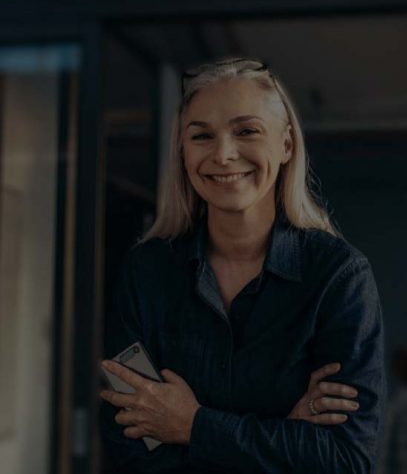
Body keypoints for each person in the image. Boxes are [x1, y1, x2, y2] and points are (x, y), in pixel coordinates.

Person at [98, 57, 386, 473]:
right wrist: (284, 437)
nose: (224, 154)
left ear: (286, 144)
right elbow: (131, 454)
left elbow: (345, 459)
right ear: (182, 150)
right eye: (202, 136)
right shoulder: (146, 273)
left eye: (246, 131)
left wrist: (191, 425)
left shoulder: (339, 278)